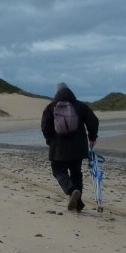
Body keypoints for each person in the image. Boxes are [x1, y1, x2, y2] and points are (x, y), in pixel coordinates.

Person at [40, 81, 99, 212]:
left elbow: (45, 127)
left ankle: (71, 191)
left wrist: (50, 141)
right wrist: (92, 137)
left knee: (58, 171)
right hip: (78, 148)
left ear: (57, 92)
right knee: (76, 172)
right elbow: (93, 121)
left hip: (58, 148)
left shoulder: (51, 107)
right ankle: (78, 203)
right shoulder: (80, 106)